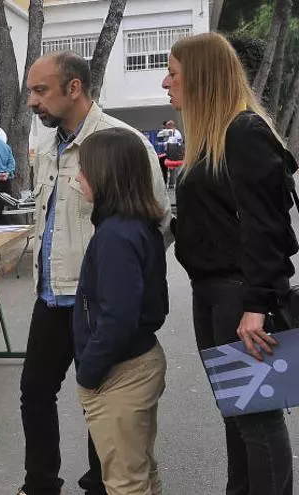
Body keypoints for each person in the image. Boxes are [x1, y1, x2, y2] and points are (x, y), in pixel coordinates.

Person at [18, 51, 171, 495]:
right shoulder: (48, 144)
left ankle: (102, 485)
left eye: (41, 90)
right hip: (51, 294)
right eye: (31, 91)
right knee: (35, 391)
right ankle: (40, 484)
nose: (32, 101)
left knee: (103, 395)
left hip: (100, 302)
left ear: (74, 88)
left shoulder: (122, 143)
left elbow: (155, 223)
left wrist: (117, 278)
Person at [163, 32, 297, 494]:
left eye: (173, 73)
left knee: (256, 419)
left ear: (201, 77)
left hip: (240, 297)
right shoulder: (213, 138)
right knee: (238, 414)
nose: (165, 82)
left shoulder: (243, 133)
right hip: (214, 294)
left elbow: (267, 229)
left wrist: (257, 306)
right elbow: (215, 221)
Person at [73, 128, 169, 495]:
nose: (78, 178)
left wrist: (89, 373)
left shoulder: (116, 235)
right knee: (140, 471)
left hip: (120, 372)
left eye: (84, 169)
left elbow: (118, 317)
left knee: (125, 482)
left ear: (105, 175)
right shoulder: (136, 226)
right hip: (137, 361)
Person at [156, 120, 184, 187]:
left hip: (174, 153)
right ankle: (168, 183)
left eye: (167, 126)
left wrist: (163, 143)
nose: (166, 127)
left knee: (173, 169)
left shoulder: (176, 132)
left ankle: (173, 183)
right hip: (169, 152)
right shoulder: (169, 132)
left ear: (170, 125)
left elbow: (173, 142)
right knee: (168, 169)